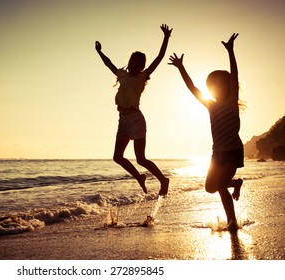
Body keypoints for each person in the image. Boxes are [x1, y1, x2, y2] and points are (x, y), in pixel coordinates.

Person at [168, 33, 244, 231]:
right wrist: (181, 67)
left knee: (219, 186)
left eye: (219, 84)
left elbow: (235, 76)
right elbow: (192, 88)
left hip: (232, 151)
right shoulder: (210, 105)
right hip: (217, 152)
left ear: (227, 87)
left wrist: (230, 51)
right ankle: (235, 183)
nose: (214, 88)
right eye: (212, 86)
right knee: (210, 187)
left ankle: (232, 222)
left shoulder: (231, 102)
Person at [95, 24, 172, 196]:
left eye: (139, 64)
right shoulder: (122, 74)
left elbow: (159, 58)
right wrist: (100, 52)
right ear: (129, 62)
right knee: (117, 157)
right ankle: (139, 177)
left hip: (136, 120)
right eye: (133, 62)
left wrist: (166, 37)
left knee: (141, 158)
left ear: (142, 66)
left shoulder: (143, 76)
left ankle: (163, 180)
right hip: (123, 120)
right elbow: (108, 64)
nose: (135, 66)